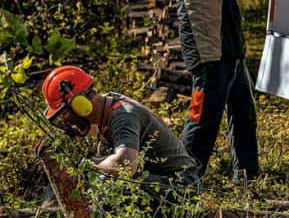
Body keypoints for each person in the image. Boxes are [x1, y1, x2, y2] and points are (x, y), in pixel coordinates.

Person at [166, 0, 270, 182]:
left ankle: (246, 178)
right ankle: (185, 182)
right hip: (211, 59)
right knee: (202, 124)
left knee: (244, 118)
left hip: (230, 56)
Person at [41, 65, 200, 193]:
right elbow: (95, 139)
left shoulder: (123, 115)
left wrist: (88, 165)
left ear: (81, 105)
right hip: (166, 179)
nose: (69, 123)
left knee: (108, 180)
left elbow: (125, 166)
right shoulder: (108, 106)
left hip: (183, 185)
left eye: (66, 115)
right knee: (102, 174)